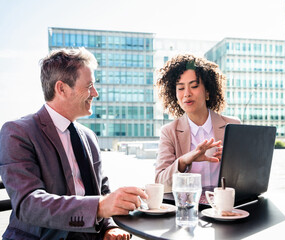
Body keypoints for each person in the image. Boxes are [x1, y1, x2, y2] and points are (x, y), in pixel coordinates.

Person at [0, 47, 148, 240]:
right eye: (89, 86)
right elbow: (29, 204)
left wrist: (109, 226)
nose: (95, 93)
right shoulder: (18, 132)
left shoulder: (88, 136)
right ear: (61, 88)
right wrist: (100, 207)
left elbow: (102, 190)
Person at [155, 54, 240, 192]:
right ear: (175, 96)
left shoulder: (233, 126)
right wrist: (183, 161)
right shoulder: (169, 131)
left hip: (223, 207)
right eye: (181, 88)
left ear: (207, 92)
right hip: (188, 207)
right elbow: (160, 182)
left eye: (194, 86)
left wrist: (233, 161)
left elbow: (249, 175)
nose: (187, 93)